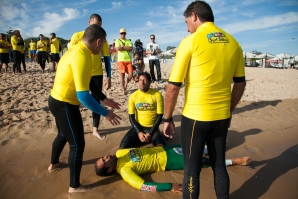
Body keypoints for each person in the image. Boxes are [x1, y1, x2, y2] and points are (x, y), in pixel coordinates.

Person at [162, 1, 246, 198]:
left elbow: (173, 87)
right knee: (219, 166)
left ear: (194, 16)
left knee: (192, 171)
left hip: (195, 118)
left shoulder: (190, 41)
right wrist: (229, 110)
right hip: (222, 116)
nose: (187, 27)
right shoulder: (234, 43)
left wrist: (167, 119)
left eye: (186, 22)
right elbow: (240, 84)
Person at [48, 25, 122, 193]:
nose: (103, 48)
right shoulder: (82, 56)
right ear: (98, 41)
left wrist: (104, 99)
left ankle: (54, 164)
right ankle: (75, 186)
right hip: (65, 104)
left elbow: (87, 82)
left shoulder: (77, 50)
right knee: (77, 145)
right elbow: (83, 96)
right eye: (103, 44)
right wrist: (105, 113)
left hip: (55, 100)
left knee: (62, 134)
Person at [95, 145, 251, 192]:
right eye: (105, 161)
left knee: (192, 146)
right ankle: (234, 161)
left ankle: (214, 148)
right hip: (168, 161)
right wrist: (170, 186)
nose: (106, 157)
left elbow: (142, 150)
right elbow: (143, 186)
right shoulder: (125, 172)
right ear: (109, 170)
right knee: (199, 161)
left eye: (103, 157)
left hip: (165, 149)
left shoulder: (120, 152)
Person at [69, 14, 116, 140]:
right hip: (80, 72)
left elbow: (107, 59)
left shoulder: (102, 39)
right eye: (95, 25)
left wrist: (109, 77)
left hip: (96, 73)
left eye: (100, 26)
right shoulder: (77, 36)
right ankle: (73, 127)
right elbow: (70, 55)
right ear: (89, 22)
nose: (97, 29)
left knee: (96, 100)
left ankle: (95, 129)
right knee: (76, 99)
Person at [119, 72, 166, 149]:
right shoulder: (133, 96)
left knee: (163, 149)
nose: (142, 82)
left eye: (145, 80)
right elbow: (131, 117)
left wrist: (150, 133)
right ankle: (140, 138)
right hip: (138, 126)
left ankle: (152, 137)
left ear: (150, 82)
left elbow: (160, 116)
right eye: (140, 80)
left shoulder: (157, 95)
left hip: (153, 128)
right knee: (122, 147)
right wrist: (139, 132)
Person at [115, 28, 133, 95]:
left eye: (124, 33)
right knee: (122, 75)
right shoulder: (117, 40)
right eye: (122, 33)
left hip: (128, 60)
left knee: (131, 75)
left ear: (126, 34)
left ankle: (126, 83)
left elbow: (131, 48)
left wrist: (123, 47)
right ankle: (123, 89)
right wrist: (126, 47)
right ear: (119, 34)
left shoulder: (128, 40)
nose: (123, 34)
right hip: (121, 60)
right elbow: (118, 48)